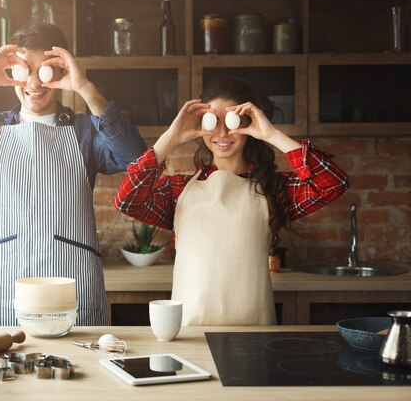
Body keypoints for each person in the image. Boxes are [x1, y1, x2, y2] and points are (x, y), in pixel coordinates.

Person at [0, 23, 146, 326]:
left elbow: (135, 158)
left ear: (60, 73)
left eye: (45, 70)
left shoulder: (85, 132)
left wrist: (85, 87)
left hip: (71, 288)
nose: (34, 82)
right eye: (25, 69)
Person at [113, 77, 349, 326]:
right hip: (191, 336)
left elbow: (333, 183)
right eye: (213, 121)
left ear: (249, 124)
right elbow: (127, 200)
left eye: (233, 122)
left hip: (253, 335)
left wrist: (271, 134)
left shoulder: (273, 190)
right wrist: (171, 137)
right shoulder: (178, 190)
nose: (223, 133)